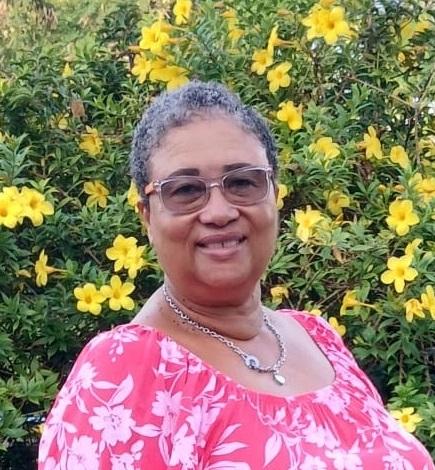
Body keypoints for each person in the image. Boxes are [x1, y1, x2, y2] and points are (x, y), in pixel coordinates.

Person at [38, 81, 434, 469]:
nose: (219, 211)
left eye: (243, 182)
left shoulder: (319, 339)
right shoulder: (125, 375)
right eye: (186, 190)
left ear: (274, 194)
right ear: (147, 216)